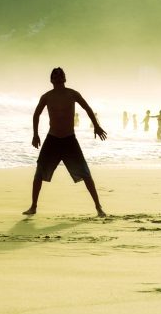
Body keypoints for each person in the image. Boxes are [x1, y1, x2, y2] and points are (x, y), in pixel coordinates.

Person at [24, 68, 107, 217]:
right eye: (55, 76)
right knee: (39, 172)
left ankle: (98, 206)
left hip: (69, 140)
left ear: (64, 78)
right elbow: (36, 114)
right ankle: (33, 206)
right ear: (51, 80)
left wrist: (96, 126)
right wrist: (35, 134)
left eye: (60, 75)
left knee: (85, 173)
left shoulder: (72, 94)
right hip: (52, 139)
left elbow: (88, 109)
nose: (58, 78)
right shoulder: (46, 97)